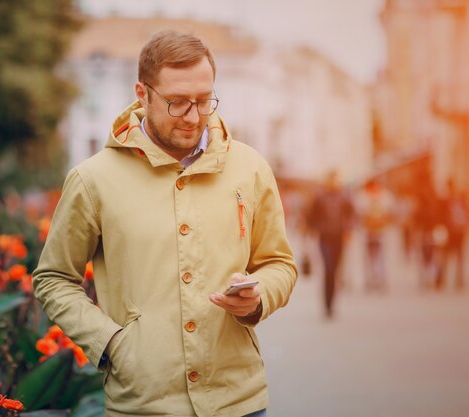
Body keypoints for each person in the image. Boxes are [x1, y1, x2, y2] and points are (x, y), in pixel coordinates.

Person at [33, 31, 297, 416]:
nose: (193, 116)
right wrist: (109, 344)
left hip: (239, 400)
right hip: (143, 403)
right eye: (176, 103)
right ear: (142, 94)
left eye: (204, 101)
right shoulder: (93, 180)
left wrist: (259, 297)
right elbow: (53, 278)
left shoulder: (251, 168)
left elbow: (280, 263)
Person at [306, 170, 354, 318]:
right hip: (325, 237)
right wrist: (313, 228)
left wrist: (348, 229)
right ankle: (327, 305)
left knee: (335, 270)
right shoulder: (319, 197)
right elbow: (310, 215)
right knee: (329, 269)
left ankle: (332, 303)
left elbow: (352, 214)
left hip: (338, 238)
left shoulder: (344, 196)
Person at [357, 178, 394, 292]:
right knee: (369, 257)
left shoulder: (385, 196)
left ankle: (379, 279)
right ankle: (370, 279)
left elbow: (389, 214)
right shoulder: (362, 197)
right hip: (368, 231)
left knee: (380, 257)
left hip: (380, 231)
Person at [441, 178, 467, 290]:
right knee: (458, 256)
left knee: (446, 256)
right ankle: (458, 280)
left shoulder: (447, 200)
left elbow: (442, 216)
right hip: (458, 230)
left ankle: (444, 279)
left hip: (451, 231)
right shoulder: (460, 199)